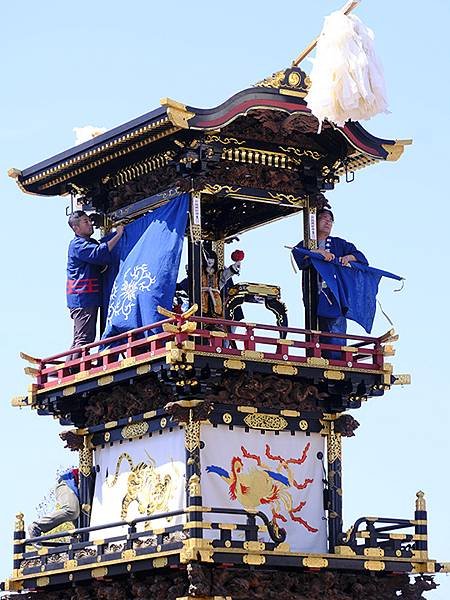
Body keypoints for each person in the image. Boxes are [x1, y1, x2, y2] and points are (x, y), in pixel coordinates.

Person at [295, 208, 368, 350]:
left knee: (335, 330)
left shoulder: (339, 244)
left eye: (330, 220)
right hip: (313, 292)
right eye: (324, 218)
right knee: (314, 328)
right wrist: (316, 253)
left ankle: (336, 360)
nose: (328, 222)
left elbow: (361, 258)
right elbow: (299, 255)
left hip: (333, 295)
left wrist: (348, 258)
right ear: (314, 223)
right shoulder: (306, 244)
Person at [66, 211, 124, 355]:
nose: (90, 224)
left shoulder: (87, 243)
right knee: (84, 338)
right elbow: (98, 253)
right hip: (82, 296)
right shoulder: (77, 245)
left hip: (88, 295)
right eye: (85, 221)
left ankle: (70, 369)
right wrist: (118, 235)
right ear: (76, 228)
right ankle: (73, 371)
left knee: (82, 337)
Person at [28, 468, 80, 539]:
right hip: (68, 483)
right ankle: (36, 527)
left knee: (83, 530)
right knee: (72, 510)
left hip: (80, 495)